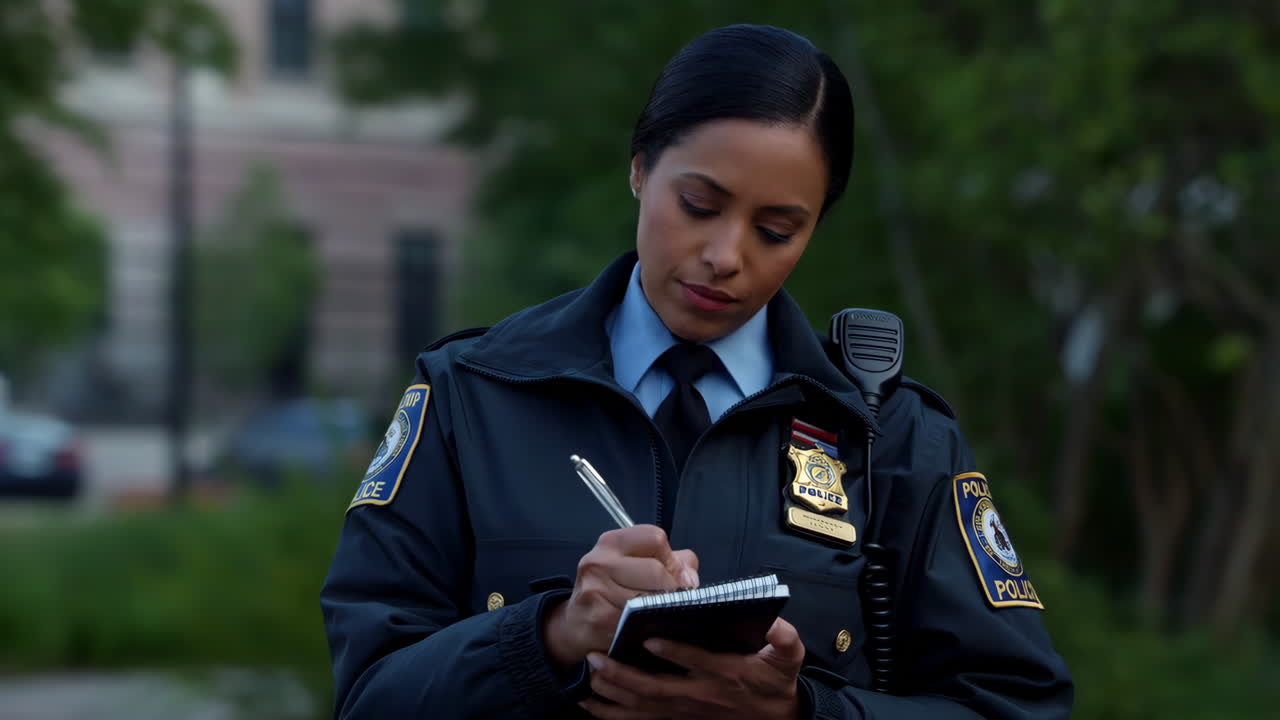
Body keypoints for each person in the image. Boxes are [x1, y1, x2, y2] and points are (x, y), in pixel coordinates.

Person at [320, 23, 1074, 720]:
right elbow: (370, 696)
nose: (726, 256)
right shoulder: (474, 395)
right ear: (641, 167)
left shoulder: (889, 436)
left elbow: (1018, 706)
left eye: (777, 230)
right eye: (699, 204)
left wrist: (801, 712)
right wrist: (547, 634)